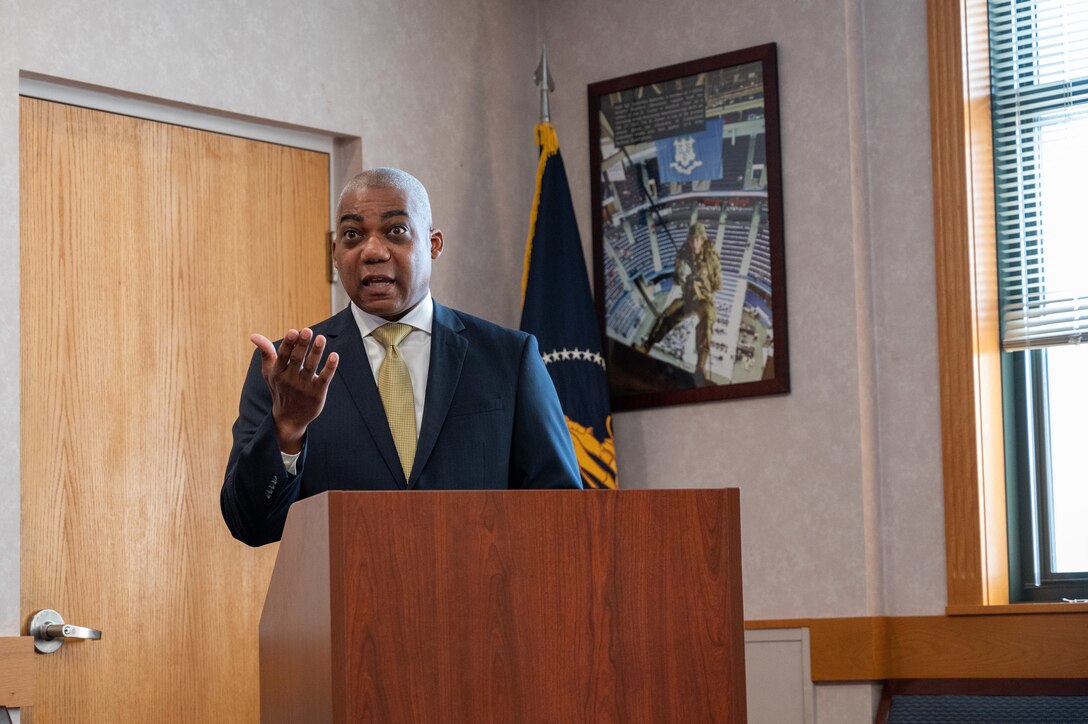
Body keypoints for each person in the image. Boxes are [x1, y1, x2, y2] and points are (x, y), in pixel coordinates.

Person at [221, 168, 582, 547]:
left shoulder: (509, 358)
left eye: (396, 231)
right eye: (352, 235)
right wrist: (287, 429)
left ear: (434, 244)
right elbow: (250, 525)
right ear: (335, 253)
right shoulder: (291, 368)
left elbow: (561, 511)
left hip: (483, 598)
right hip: (347, 600)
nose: (373, 251)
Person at [639, 222, 722, 385]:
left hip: (703, 298)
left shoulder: (711, 257)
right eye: (692, 239)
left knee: (708, 317)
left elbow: (717, 285)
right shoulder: (685, 249)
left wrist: (702, 281)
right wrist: (680, 275)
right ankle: (647, 345)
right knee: (667, 315)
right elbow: (678, 264)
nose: (694, 243)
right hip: (688, 297)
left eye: (698, 240)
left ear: (703, 240)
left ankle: (700, 367)